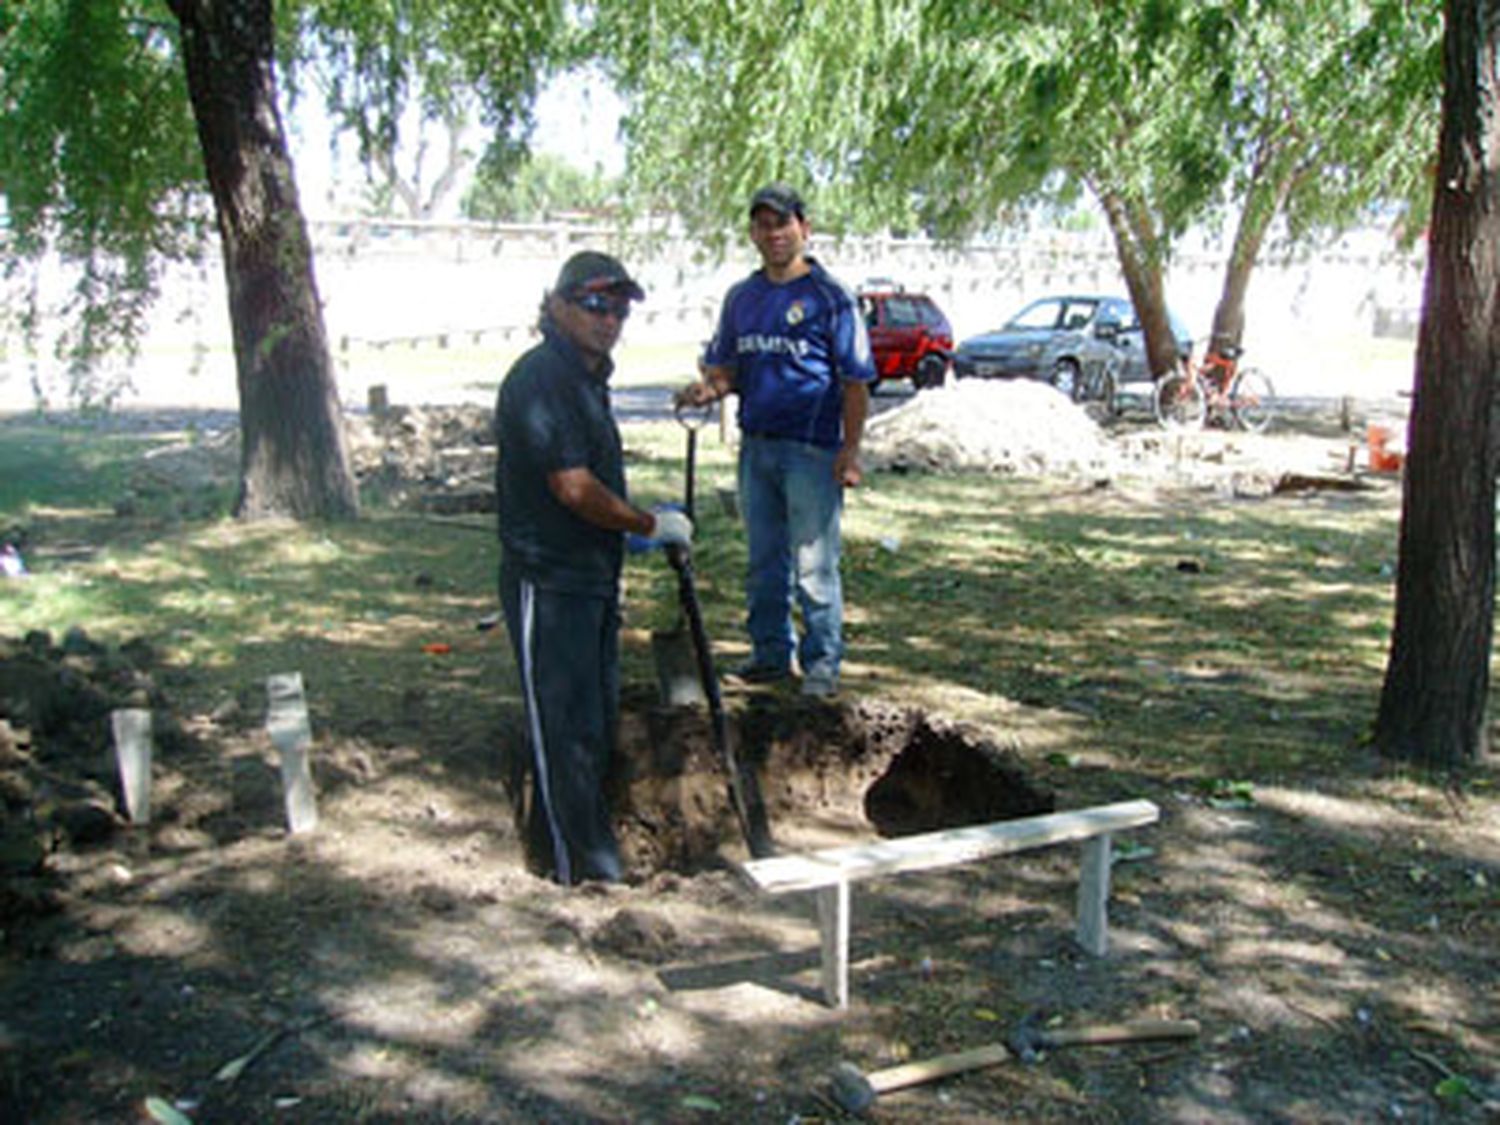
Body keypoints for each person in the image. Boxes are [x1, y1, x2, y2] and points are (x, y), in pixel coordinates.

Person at [495, 250, 692, 885]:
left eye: (619, 308)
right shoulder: (540, 379)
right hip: (548, 581)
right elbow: (573, 487)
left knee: (596, 722)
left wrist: (633, 531)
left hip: (592, 579)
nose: (608, 318)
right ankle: (578, 873)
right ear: (556, 306)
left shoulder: (587, 378)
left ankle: (595, 855)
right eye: (594, 304)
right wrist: (646, 525)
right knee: (564, 735)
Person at [679, 184, 876, 697]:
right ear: (753, 233)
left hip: (812, 451)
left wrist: (849, 452)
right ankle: (770, 654)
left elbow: (855, 383)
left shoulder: (830, 299)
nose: (773, 234)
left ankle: (821, 664)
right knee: (765, 561)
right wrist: (707, 390)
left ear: (804, 229)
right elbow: (728, 370)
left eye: (783, 223)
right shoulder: (742, 298)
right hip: (757, 448)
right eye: (763, 225)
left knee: (814, 564)